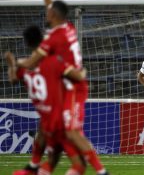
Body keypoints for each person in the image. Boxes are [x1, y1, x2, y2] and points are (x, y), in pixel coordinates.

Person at [16, 0, 108, 175]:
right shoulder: (67, 27)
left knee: (70, 131)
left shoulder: (53, 38)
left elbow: (32, 62)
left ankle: (101, 171)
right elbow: (52, 5)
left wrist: (15, 63)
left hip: (72, 85)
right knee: (49, 128)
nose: (46, 12)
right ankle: (36, 167)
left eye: (49, 11)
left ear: (52, 15)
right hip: (63, 84)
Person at [7, 25, 87, 175]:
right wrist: (80, 71)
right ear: (43, 39)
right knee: (79, 163)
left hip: (45, 118)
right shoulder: (52, 61)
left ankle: (31, 167)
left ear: (27, 43)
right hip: (61, 117)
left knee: (49, 160)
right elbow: (77, 76)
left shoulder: (24, 66)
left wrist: (12, 63)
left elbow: (12, 79)